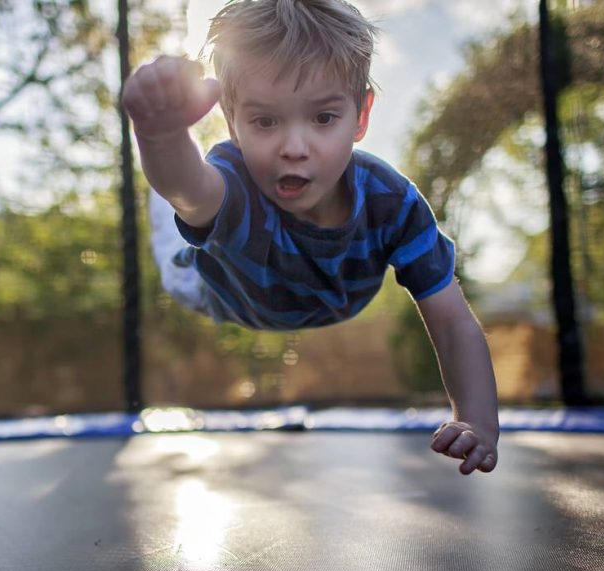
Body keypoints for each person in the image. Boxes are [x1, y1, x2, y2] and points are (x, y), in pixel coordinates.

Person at [122, 0, 499, 474]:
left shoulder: (394, 204)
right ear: (232, 121)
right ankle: (169, 174)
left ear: (360, 117)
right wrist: (158, 136)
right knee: (178, 196)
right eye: (264, 121)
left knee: (184, 192)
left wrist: (478, 422)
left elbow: (452, 323)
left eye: (323, 118)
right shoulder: (235, 183)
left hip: (315, 296)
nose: (295, 149)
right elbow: (193, 191)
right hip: (209, 287)